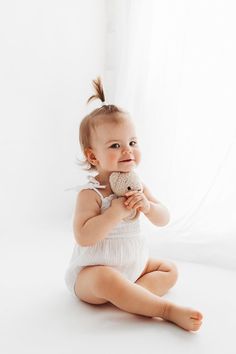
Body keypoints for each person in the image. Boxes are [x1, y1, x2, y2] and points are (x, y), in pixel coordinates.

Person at [65, 77, 203, 332]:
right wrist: (114, 213)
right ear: (93, 156)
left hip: (133, 265)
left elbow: (164, 218)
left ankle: (131, 297)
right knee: (106, 278)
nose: (127, 151)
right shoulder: (91, 193)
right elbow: (84, 236)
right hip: (93, 273)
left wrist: (148, 207)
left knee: (169, 270)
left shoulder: (137, 184)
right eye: (115, 145)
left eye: (132, 143)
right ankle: (164, 310)